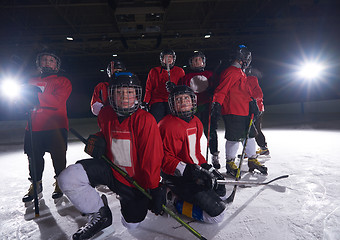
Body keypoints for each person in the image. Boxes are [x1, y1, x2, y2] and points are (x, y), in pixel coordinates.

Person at [58, 72, 166, 240]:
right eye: (119, 92)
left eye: (129, 92)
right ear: (112, 95)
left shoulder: (145, 119)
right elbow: (106, 133)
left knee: (132, 223)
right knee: (68, 177)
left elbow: (151, 157)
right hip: (110, 169)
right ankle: (100, 214)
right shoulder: (105, 114)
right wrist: (98, 139)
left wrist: (153, 187)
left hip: (133, 182)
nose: (124, 97)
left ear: (136, 95)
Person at [159, 85, 226, 223]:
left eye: (186, 98)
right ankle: (175, 200)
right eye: (178, 99)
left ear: (193, 101)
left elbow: (194, 153)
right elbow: (164, 159)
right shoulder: (166, 126)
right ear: (172, 104)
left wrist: (206, 167)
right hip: (176, 174)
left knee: (221, 191)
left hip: (192, 169)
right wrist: (188, 170)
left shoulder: (196, 121)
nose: (183, 102)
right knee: (217, 216)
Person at [22, 50, 72, 202]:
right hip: (33, 126)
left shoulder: (63, 81)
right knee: (33, 158)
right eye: (44, 60)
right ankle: (36, 185)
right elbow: (21, 101)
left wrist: (34, 95)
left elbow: (57, 101)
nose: (47, 62)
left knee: (58, 157)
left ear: (56, 65)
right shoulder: (30, 81)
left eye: (51, 60)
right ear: (39, 64)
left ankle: (60, 183)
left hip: (55, 125)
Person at [211, 45, 268, 176]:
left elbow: (243, 92)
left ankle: (252, 159)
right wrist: (217, 104)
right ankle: (230, 162)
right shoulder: (231, 72)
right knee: (234, 137)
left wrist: (252, 103)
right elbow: (221, 90)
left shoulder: (241, 73)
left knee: (250, 135)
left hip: (244, 111)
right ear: (243, 59)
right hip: (233, 111)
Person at [178, 51, 221, 169]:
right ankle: (193, 154)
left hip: (208, 106)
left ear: (203, 61)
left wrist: (214, 92)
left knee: (210, 131)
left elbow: (220, 89)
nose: (197, 62)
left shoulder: (211, 75)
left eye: (199, 60)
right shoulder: (185, 78)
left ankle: (214, 154)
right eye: (194, 60)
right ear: (191, 63)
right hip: (193, 108)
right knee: (193, 133)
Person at [143, 49, 185, 123]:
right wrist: (146, 102)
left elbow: (183, 87)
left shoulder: (179, 71)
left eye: (170, 57)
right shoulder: (154, 71)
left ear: (173, 59)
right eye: (165, 57)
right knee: (157, 121)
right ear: (161, 59)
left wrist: (175, 88)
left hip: (173, 100)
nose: (168, 59)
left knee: (172, 122)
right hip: (157, 100)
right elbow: (148, 88)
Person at [246, 67, 270, 156]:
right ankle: (261, 148)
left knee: (253, 129)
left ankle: (262, 148)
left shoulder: (251, 79)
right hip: (252, 107)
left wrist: (251, 100)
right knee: (252, 129)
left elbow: (259, 94)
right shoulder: (244, 79)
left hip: (256, 108)